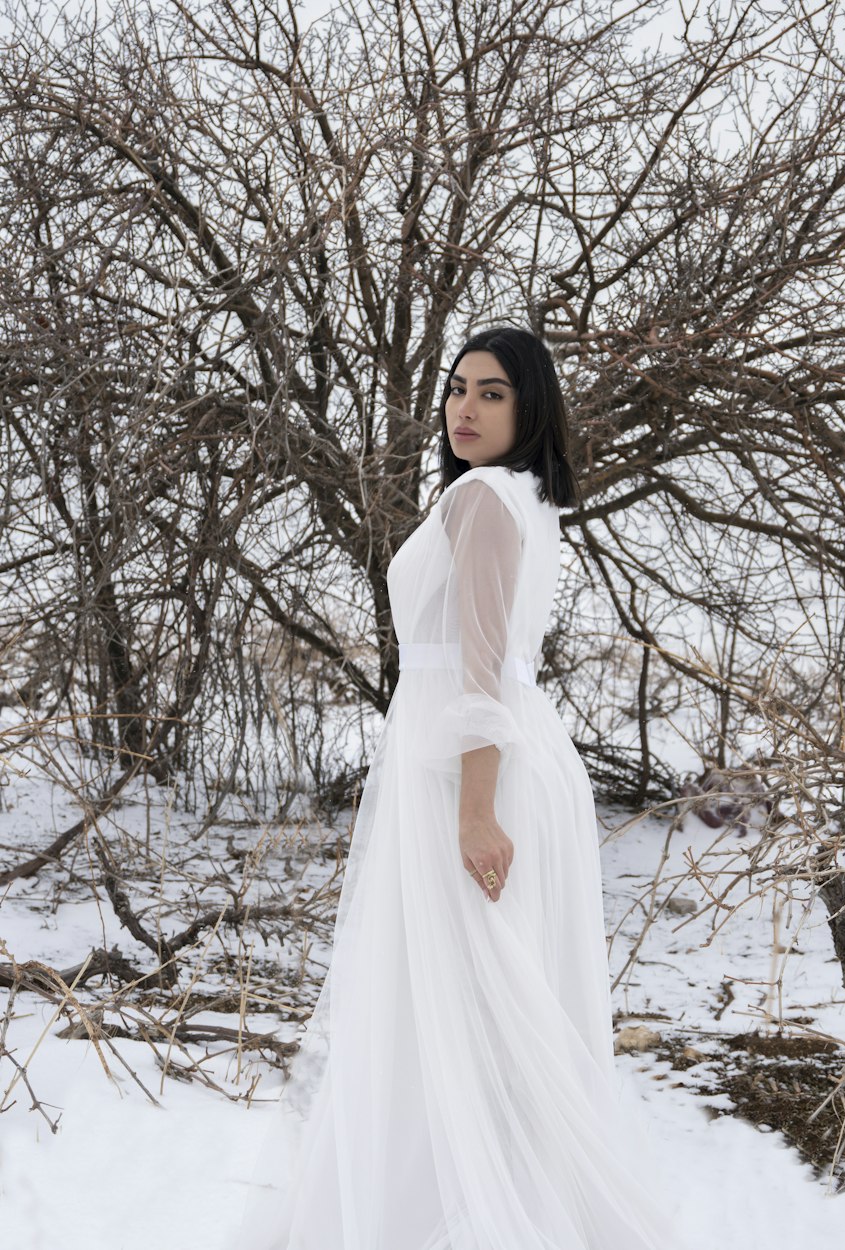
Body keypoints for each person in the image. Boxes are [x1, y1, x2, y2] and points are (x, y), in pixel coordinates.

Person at [231, 326, 687, 1249]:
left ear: (528, 410)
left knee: (466, 992)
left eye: (491, 394)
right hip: (511, 752)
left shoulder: (483, 499)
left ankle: (476, 1214)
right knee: (473, 993)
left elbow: (479, 669)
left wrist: (475, 811)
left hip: (474, 770)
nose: (465, 408)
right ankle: (469, 1196)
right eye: (457, 390)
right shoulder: (519, 497)